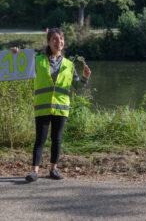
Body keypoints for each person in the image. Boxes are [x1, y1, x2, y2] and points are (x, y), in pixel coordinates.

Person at [11, 28, 91, 182]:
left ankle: (53, 169)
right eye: (55, 39)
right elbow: (19, 64)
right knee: (40, 139)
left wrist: (85, 78)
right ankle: (34, 171)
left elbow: (78, 87)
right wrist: (16, 53)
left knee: (57, 139)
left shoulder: (69, 65)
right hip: (42, 106)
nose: (58, 41)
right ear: (48, 42)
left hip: (61, 107)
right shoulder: (38, 60)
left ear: (63, 42)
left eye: (61, 39)